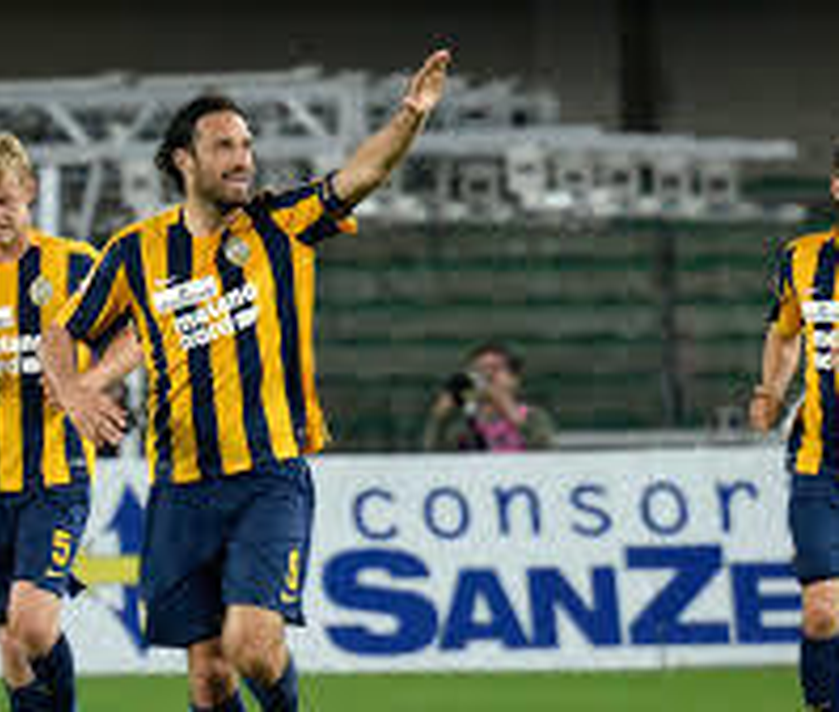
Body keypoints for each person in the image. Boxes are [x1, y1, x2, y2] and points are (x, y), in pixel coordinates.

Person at [42, 50, 452, 712]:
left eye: (246, 146)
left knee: (253, 645)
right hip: (181, 484)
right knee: (208, 678)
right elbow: (59, 334)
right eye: (224, 146)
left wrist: (411, 114)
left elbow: (363, 173)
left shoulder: (278, 223)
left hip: (268, 476)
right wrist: (73, 392)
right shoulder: (136, 252)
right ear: (184, 160)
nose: (243, 159)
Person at [0, 133, 140, 712]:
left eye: (6, 202)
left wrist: (87, 383)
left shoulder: (75, 264)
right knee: (12, 649)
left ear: (30, 193)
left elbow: (137, 334)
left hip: (55, 477)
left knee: (34, 626)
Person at [749, 142, 839, 712]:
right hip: (819, 461)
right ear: (837, 186)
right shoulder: (803, 258)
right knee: (822, 612)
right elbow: (785, 334)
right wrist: (770, 391)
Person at [423, 341, 556, 452]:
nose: (487, 376)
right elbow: (433, 458)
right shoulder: (462, 428)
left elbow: (544, 451)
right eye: (478, 371)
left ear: (514, 379)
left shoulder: (534, 417)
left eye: (496, 369)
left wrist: (506, 406)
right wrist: (438, 419)